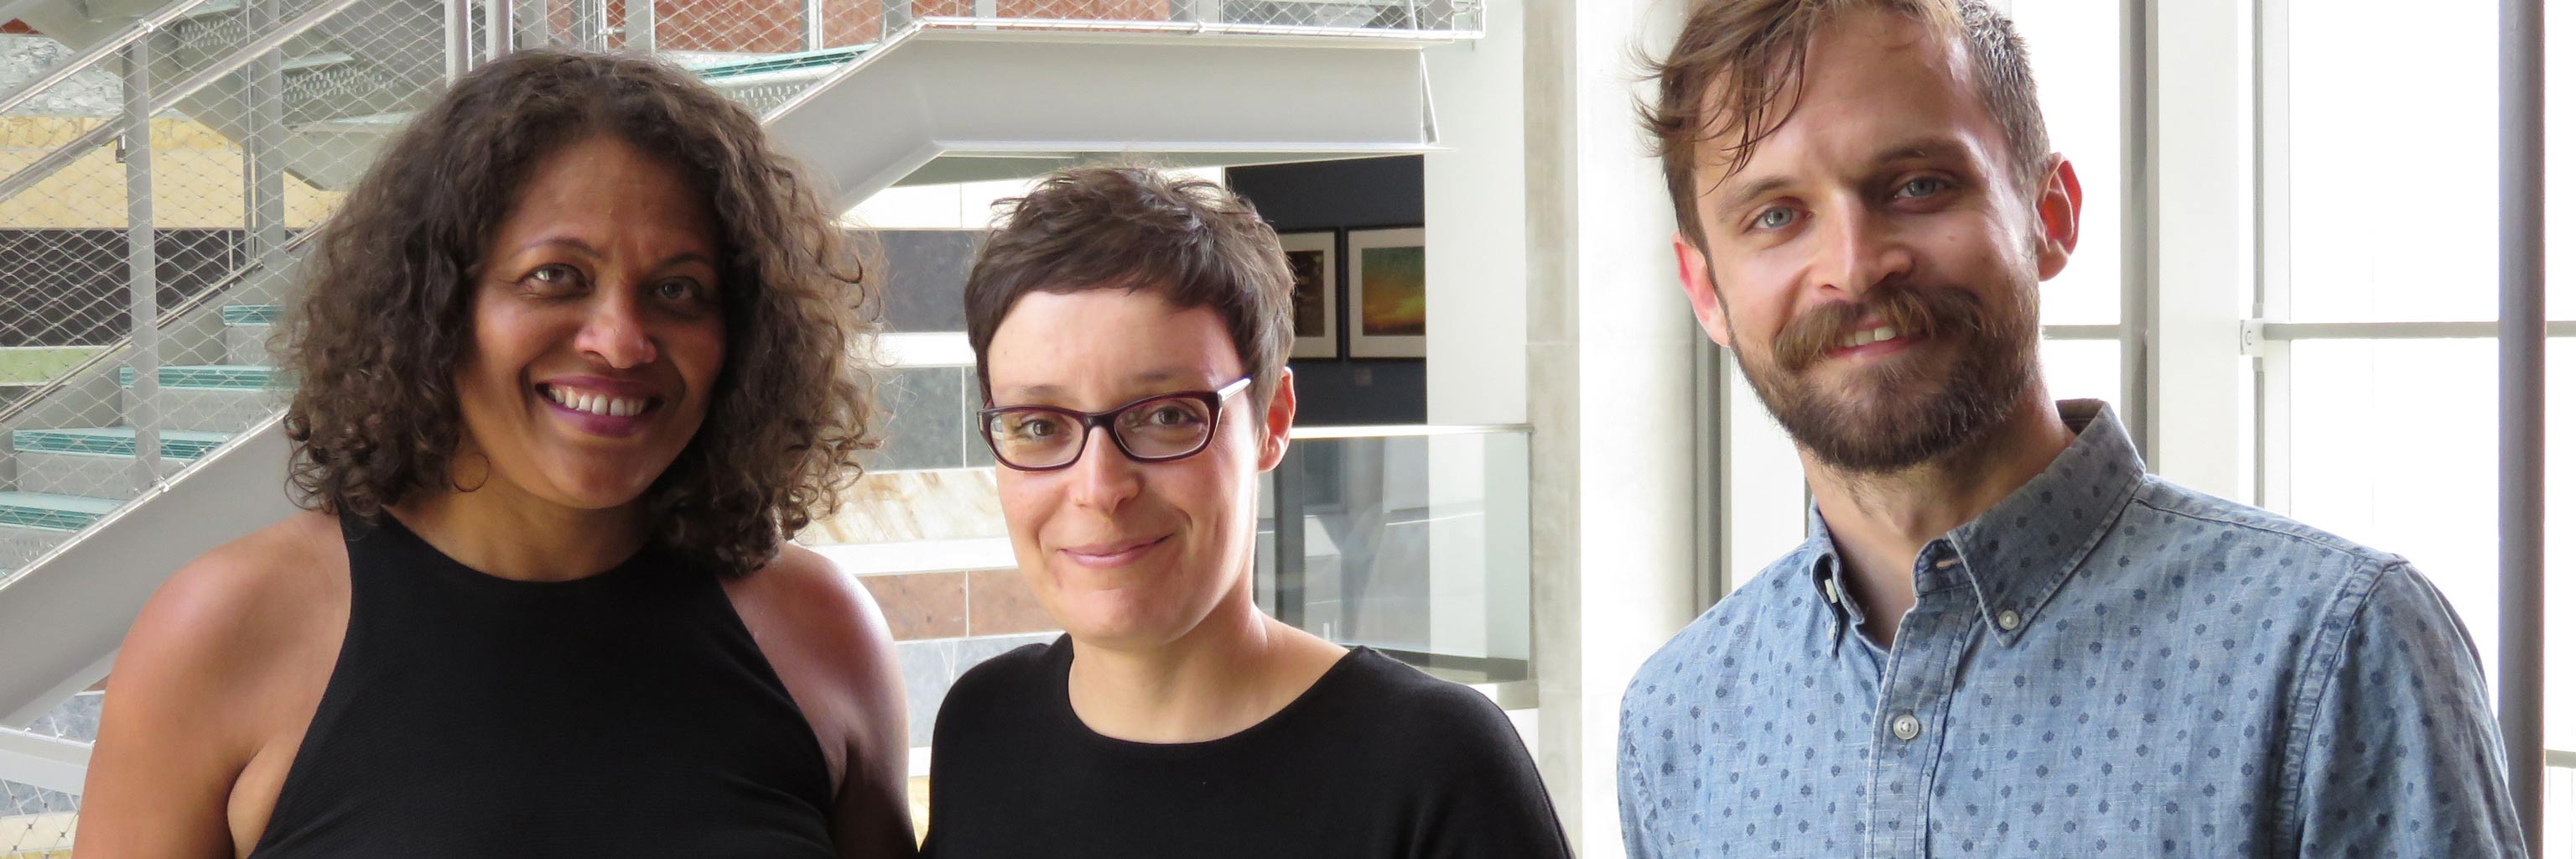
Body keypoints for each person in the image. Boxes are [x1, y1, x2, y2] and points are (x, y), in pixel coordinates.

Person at [1618, 1, 2522, 856]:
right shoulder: (1678, 716)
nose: (1853, 268)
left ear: (2049, 215)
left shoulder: (2336, 648)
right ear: (1705, 289)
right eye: (1776, 215)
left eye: (1919, 185)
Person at [75, 50, 916, 857]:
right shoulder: (227, 628)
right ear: (437, 306)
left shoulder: (818, 630)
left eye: (676, 290)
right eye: (556, 276)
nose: (621, 342)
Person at [917, 165, 1571, 858]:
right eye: (1040, 425)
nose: (1099, 486)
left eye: (1166, 416)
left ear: (1272, 420)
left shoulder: (1432, 768)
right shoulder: (985, 726)